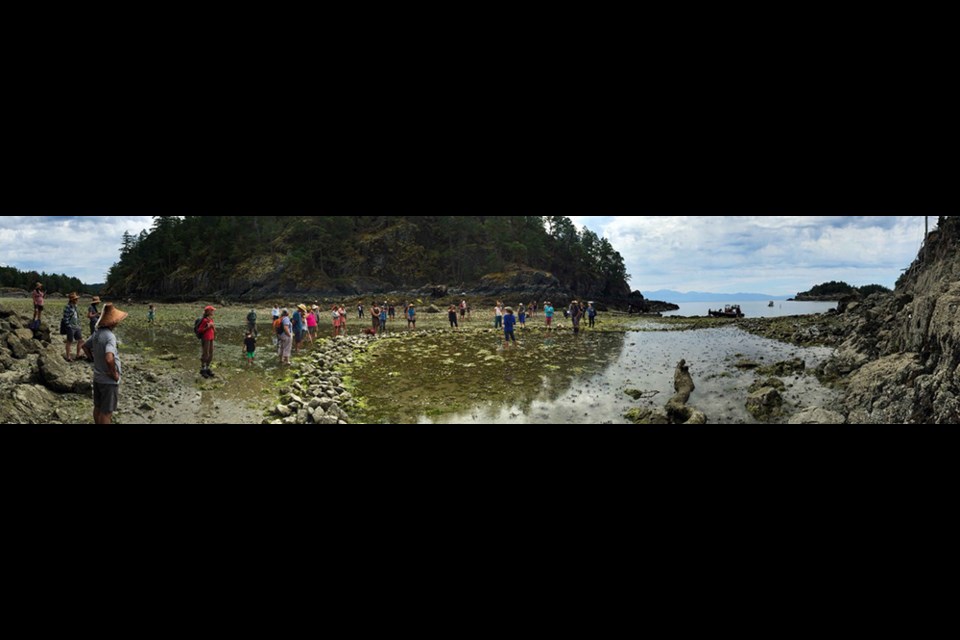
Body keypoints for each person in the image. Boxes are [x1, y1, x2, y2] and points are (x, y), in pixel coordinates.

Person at [82, 303, 128, 425]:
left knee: (98, 407)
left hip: (97, 377)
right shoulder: (110, 337)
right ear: (112, 322)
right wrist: (114, 374)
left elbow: (85, 347)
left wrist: (94, 360)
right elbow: (109, 358)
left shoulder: (96, 333)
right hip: (108, 381)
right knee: (106, 412)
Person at [62, 293, 83, 362]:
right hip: (71, 327)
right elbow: (65, 318)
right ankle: (68, 357)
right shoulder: (67, 307)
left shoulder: (75, 306)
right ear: (72, 300)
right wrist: (69, 326)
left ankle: (78, 355)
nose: (77, 300)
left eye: (77, 299)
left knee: (80, 340)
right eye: (76, 299)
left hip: (77, 326)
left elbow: (77, 316)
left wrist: (79, 324)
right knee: (69, 342)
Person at [198, 305, 217, 378]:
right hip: (205, 338)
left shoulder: (211, 319)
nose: (213, 312)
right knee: (206, 353)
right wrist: (208, 327)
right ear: (208, 312)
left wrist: (213, 327)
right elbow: (200, 330)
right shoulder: (205, 320)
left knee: (211, 353)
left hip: (211, 338)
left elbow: (214, 330)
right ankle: (203, 369)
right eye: (212, 311)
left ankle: (207, 368)